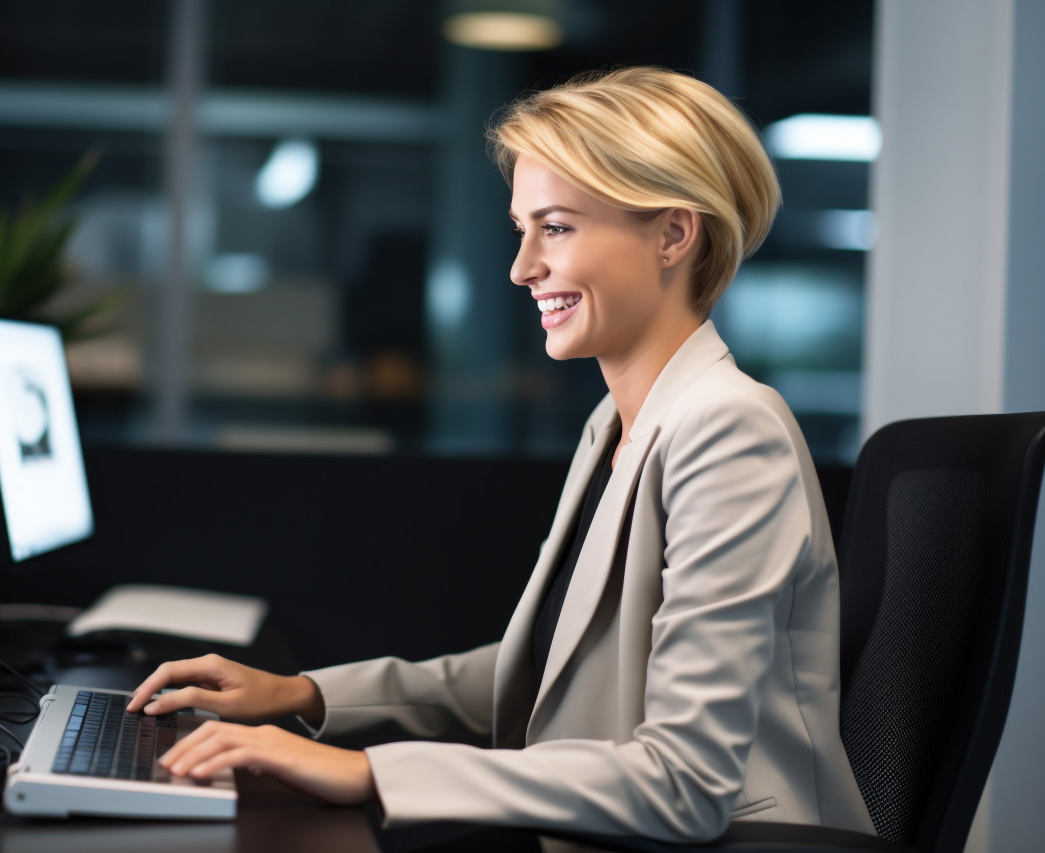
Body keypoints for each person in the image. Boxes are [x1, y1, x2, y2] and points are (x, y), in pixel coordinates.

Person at [125, 66, 877, 844]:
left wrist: (370, 770)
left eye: (554, 227)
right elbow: (544, 669)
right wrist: (305, 694)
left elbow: (684, 782)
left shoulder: (730, 432)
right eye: (523, 229)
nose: (522, 267)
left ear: (673, 234)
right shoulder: (616, 426)